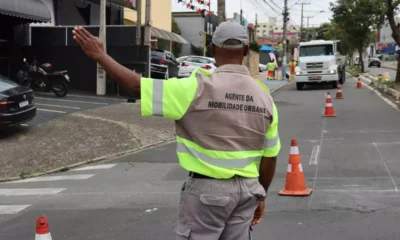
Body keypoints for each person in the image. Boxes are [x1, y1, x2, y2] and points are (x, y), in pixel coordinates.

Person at [72, 20, 280, 240]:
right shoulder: (264, 97)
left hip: (208, 193)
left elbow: (136, 85)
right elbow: (271, 157)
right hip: (248, 192)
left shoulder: (195, 87)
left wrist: (100, 55)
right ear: (246, 50)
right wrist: (261, 195)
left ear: (213, 49)